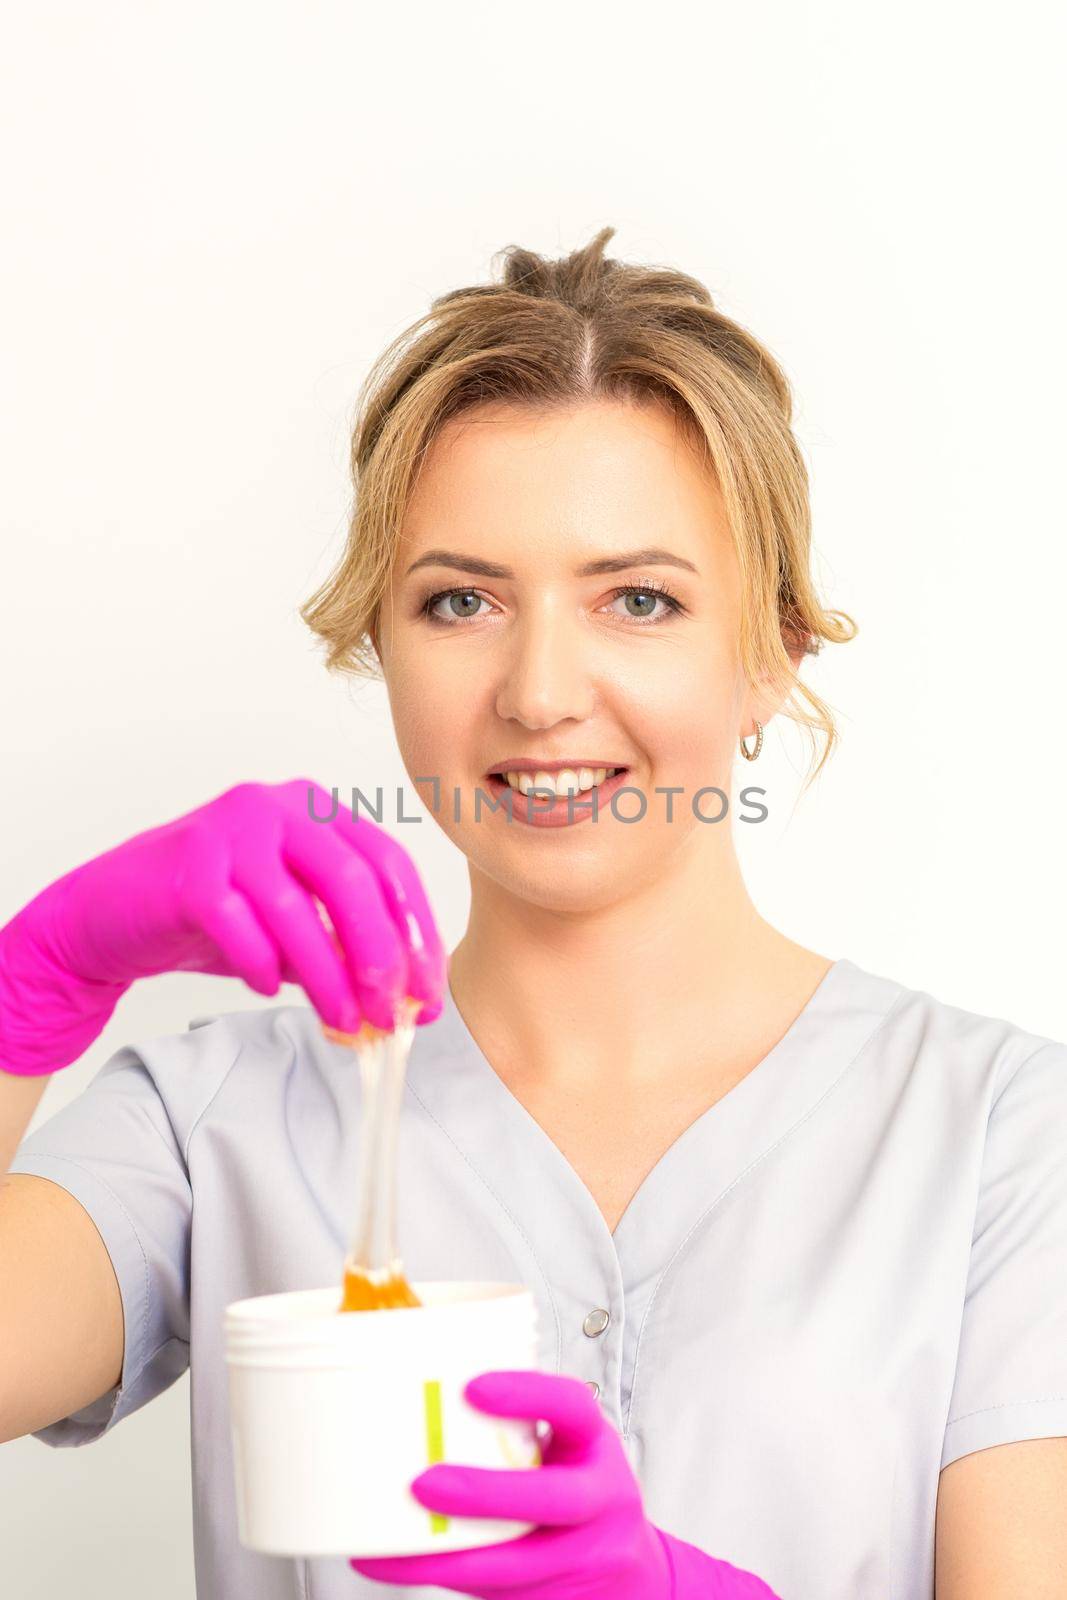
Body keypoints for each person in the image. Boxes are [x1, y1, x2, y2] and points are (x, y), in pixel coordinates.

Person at [1, 229, 1065, 1600]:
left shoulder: (1001, 1143)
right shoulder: (213, 1128)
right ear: (383, 648)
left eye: (638, 599)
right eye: (461, 601)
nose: (541, 689)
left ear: (771, 653)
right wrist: (38, 979)